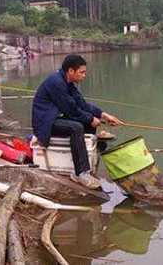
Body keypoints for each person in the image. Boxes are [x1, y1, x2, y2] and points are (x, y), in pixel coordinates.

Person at [32, 54, 124, 189]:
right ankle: (80, 173)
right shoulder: (57, 83)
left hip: (56, 116)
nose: (84, 75)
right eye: (82, 72)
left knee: (85, 123)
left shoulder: (67, 82)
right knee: (76, 127)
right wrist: (91, 119)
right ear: (71, 71)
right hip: (46, 122)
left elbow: (81, 104)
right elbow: (71, 110)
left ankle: (87, 164)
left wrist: (104, 115)